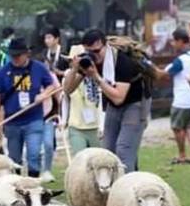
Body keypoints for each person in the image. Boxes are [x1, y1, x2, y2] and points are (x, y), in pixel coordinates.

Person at [62, 29, 150, 172]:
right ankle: (114, 185)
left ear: (105, 46)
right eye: (90, 52)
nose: (94, 56)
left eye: (97, 51)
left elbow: (118, 98)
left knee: (124, 148)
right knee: (108, 150)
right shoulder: (89, 61)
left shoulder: (122, 62)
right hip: (113, 105)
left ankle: (127, 187)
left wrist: (96, 77)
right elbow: (67, 89)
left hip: (135, 103)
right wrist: (75, 68)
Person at [0, 37, 57, 178]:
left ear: (27, 54)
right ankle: (17, 185)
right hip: (12, 122)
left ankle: (33, 184)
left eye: (18, 55)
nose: (15, 59)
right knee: (14, 159)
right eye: (12, 55)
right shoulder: (4, 71)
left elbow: (51, 85)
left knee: (34, 154)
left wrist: (44, 94)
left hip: (34, 119)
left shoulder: (38, 68)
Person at [163, 28, 190, 164]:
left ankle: (182, 154)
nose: (173, 44)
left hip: (181, 99)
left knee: (177, 128)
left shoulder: (181, 60)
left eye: (174, 41)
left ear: (180, 41)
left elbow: (167, 73)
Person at [39, 26, 68, 182]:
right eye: (46, 38)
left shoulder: (64, 54)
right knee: (43, 143)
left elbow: (70, 74)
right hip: (44, 102)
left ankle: (47, 168)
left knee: (49, 142)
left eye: (50, 37)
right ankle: (42, 170)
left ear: (57, 38)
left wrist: (58, 74)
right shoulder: (44, 56)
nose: (47, 41)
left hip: (60, 92)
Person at [63, 44, 103, 154]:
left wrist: (90, 71)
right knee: (81, 159)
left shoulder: (95, 72)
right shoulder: (69, 74)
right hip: (76, 126)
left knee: (97, 160)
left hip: (95, 126)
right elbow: (66, 90)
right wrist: (76, 69)